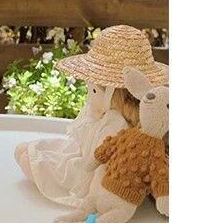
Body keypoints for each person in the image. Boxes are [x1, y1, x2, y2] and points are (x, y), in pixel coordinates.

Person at [14, 25, 168, 207]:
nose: (89, 98)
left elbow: (95, 162)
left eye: (93, 90)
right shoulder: (113, 116)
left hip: (91, 175)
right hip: (84, 159)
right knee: (27, 150)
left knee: (25, 157)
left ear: (112, 95)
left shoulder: (115, 123)